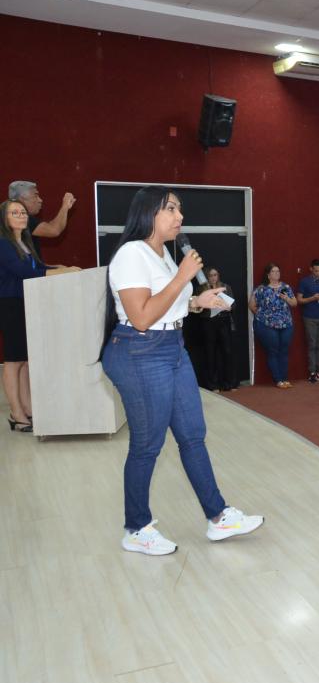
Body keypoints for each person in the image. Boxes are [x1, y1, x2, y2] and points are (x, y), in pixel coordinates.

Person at [100, 186, 262, 555]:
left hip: (172, 347)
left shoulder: (163, 255)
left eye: (180, 209)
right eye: (171, 208)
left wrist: (196, 300)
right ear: (148, 213)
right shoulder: (131, 254)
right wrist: (183, 276)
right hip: (140, 351)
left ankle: (218, 516)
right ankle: (136, 527)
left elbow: (165, 303)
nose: (179, 216)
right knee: (147, 444)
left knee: (193, 435)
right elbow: (140, 316)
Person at [0, 200, 81, 432]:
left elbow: (38, 267)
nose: (21, 216)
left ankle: (28, 408)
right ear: (4, 219)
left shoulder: (23, 242)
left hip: (26, 302)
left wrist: (59, 267)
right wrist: (61, 272)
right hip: (10, 304)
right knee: (13, 361)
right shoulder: (3, 243)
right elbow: (24, 272)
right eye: (14, 213)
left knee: (25, 359)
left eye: (23, 212)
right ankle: (16, 413)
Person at [249, 263, 297, 389]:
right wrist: (262, 316)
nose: (277, 273)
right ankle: (278, 380)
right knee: (273, 351)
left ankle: (285, 378)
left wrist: (287, 298)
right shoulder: (261, 289)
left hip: (286, 323)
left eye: (278, 271)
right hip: (268, 325)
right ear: (268, 275)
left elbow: (294, 303)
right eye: (274, 271)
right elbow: (252, 305)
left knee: (284, 351)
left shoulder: (285, 287)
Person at [196, 267, 238, 392]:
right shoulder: (202, 289)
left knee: (227, 351)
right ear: (206, 277)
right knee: (210, 353)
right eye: (211, 275)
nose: (214, 277)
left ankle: (229, 383)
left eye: (215, 275)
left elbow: (233, 304)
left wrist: (229, 307)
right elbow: (198, 307)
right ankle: (213, 384)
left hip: (224, 321)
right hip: (209, 322)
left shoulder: (225, 287)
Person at [9, 180, 76, 249]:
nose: (40, 200)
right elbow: (54, 230)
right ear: (22, 199)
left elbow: (50, 226)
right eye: (35, 196)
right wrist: (65, 206)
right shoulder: (20, 218)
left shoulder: (10, 215)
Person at [297, 258, 319, 382]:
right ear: (311, 269)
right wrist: (312, 298)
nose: (318, 273)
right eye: (316, 270)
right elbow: (299, 300)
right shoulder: (304, 282)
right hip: (309, 317)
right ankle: (312, 372)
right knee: (312, 345)